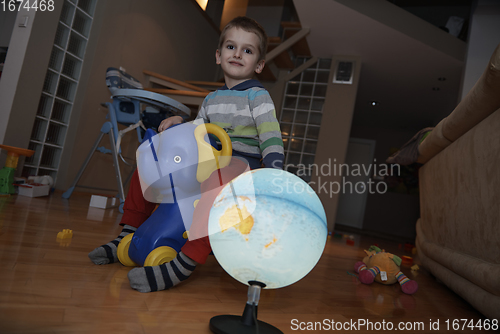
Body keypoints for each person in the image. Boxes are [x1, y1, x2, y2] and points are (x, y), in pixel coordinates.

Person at [88, 16, 284, 292]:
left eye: (248, 50)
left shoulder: (257, 96)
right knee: (148, 165)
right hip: (209, 159)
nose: (237, 54)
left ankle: (185, 263)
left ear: (259, 64)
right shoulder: (211, 99)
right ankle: (127, 234)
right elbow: (200, 130)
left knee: (215, 185)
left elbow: (271, 134)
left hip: (240, 165)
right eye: (231, 47)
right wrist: (180, 122)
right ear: (218, 55)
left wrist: (274, 167)